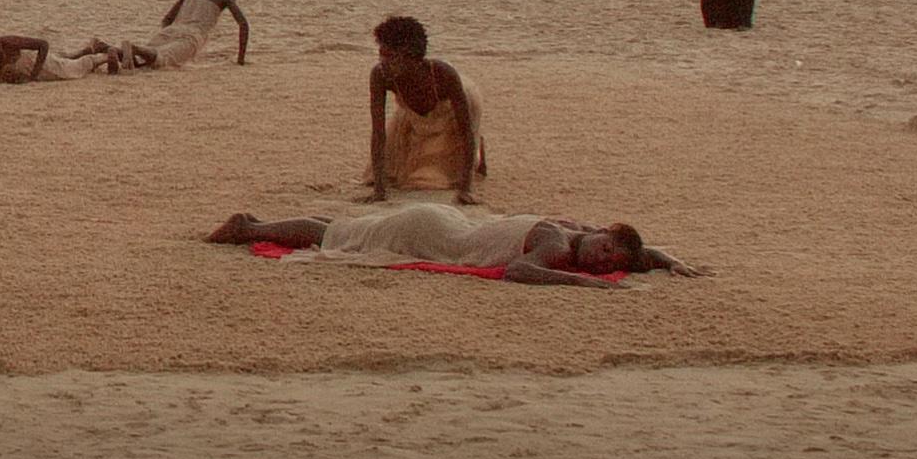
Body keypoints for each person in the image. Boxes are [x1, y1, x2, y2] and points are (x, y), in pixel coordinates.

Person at [206, 202, 688, 286]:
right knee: (335, 236)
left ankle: (256, 224)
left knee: (349, 229)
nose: (601, 262)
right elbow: (520, 272)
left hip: (448, 224)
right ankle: (249, 227)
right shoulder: (558, 245)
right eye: (605, 251)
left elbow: (640, 251)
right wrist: (591, 287)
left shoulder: (579, 229)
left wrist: (668, 260)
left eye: (608, 265)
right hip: (434, 232)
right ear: (602, 233)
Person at [365, 14, 485, 202]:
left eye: (389, 56)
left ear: (409, 56)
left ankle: (479, 150)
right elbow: (378, 134)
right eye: (381, 54)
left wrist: (466, 189)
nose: (382, 61)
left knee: (428, 179)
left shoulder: (444, 75)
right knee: (385, 174)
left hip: (453, 110)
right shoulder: (380, 75)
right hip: (413, 109)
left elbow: (466, 132)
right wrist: (379, 191)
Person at [0, 25, 119, 84]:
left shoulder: (4, 42)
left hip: (35, 64)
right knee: (64, 61)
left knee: (73, 69)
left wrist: (34, 75)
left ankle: (103, 55)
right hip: (24, 73)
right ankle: (91, 47)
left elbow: (43, 44)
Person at [146, 0, 250, 68]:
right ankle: (133, 48)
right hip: (192, 35)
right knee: (163, 59)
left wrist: (167, 32)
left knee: (145, 55)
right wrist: (240, 59)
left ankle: (133, 48)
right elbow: (243, 24)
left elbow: (168, 19)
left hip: (171, 30)